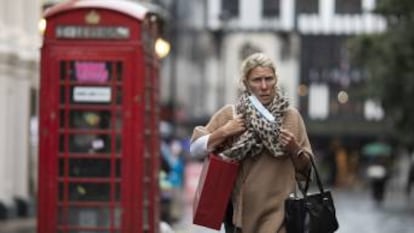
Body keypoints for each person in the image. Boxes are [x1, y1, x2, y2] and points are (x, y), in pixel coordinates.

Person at [190, 53, 313, 233]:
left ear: (276, 80)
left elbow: (306, 171)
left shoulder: (291, 117)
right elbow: (195, 149)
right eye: (257, 80)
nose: (264, 86)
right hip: (241, 216)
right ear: (246, 83)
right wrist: (224, 131)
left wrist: (294, 149)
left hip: (282, 215)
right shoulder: (231, 115)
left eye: (268, 79)